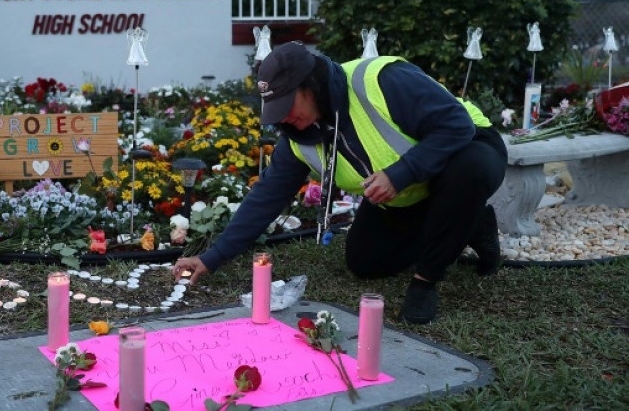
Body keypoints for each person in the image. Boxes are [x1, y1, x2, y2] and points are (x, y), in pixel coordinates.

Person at [171, 42, 507, 324]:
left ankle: (426, 281)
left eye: (288, 105)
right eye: (276, 110)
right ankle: (470, 223)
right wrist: (211, 258)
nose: (285, 117)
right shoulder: (298, 138)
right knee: (365, 262)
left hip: (467, 149)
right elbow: (267, 197)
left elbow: (456, 126)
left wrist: (398, 174)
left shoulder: (380, 80)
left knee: (468, 172)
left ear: (311, 86)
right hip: (409, 194)